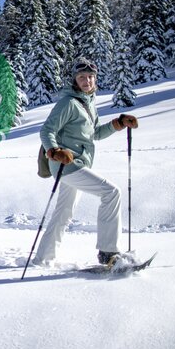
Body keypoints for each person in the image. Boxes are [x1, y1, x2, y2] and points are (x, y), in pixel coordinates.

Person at [33, 57, 139, 266]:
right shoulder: (69, 103)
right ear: (75, 80)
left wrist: (117, 124)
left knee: (63, 212)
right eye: (82, 77)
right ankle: (108, 252)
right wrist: (54, 151)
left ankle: (43, 258)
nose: (87, 81)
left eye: (90, 77)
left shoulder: (88, 103)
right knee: (111, 192)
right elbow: (47, 130)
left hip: (77, 164)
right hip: (68, 165)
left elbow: (96, 133)